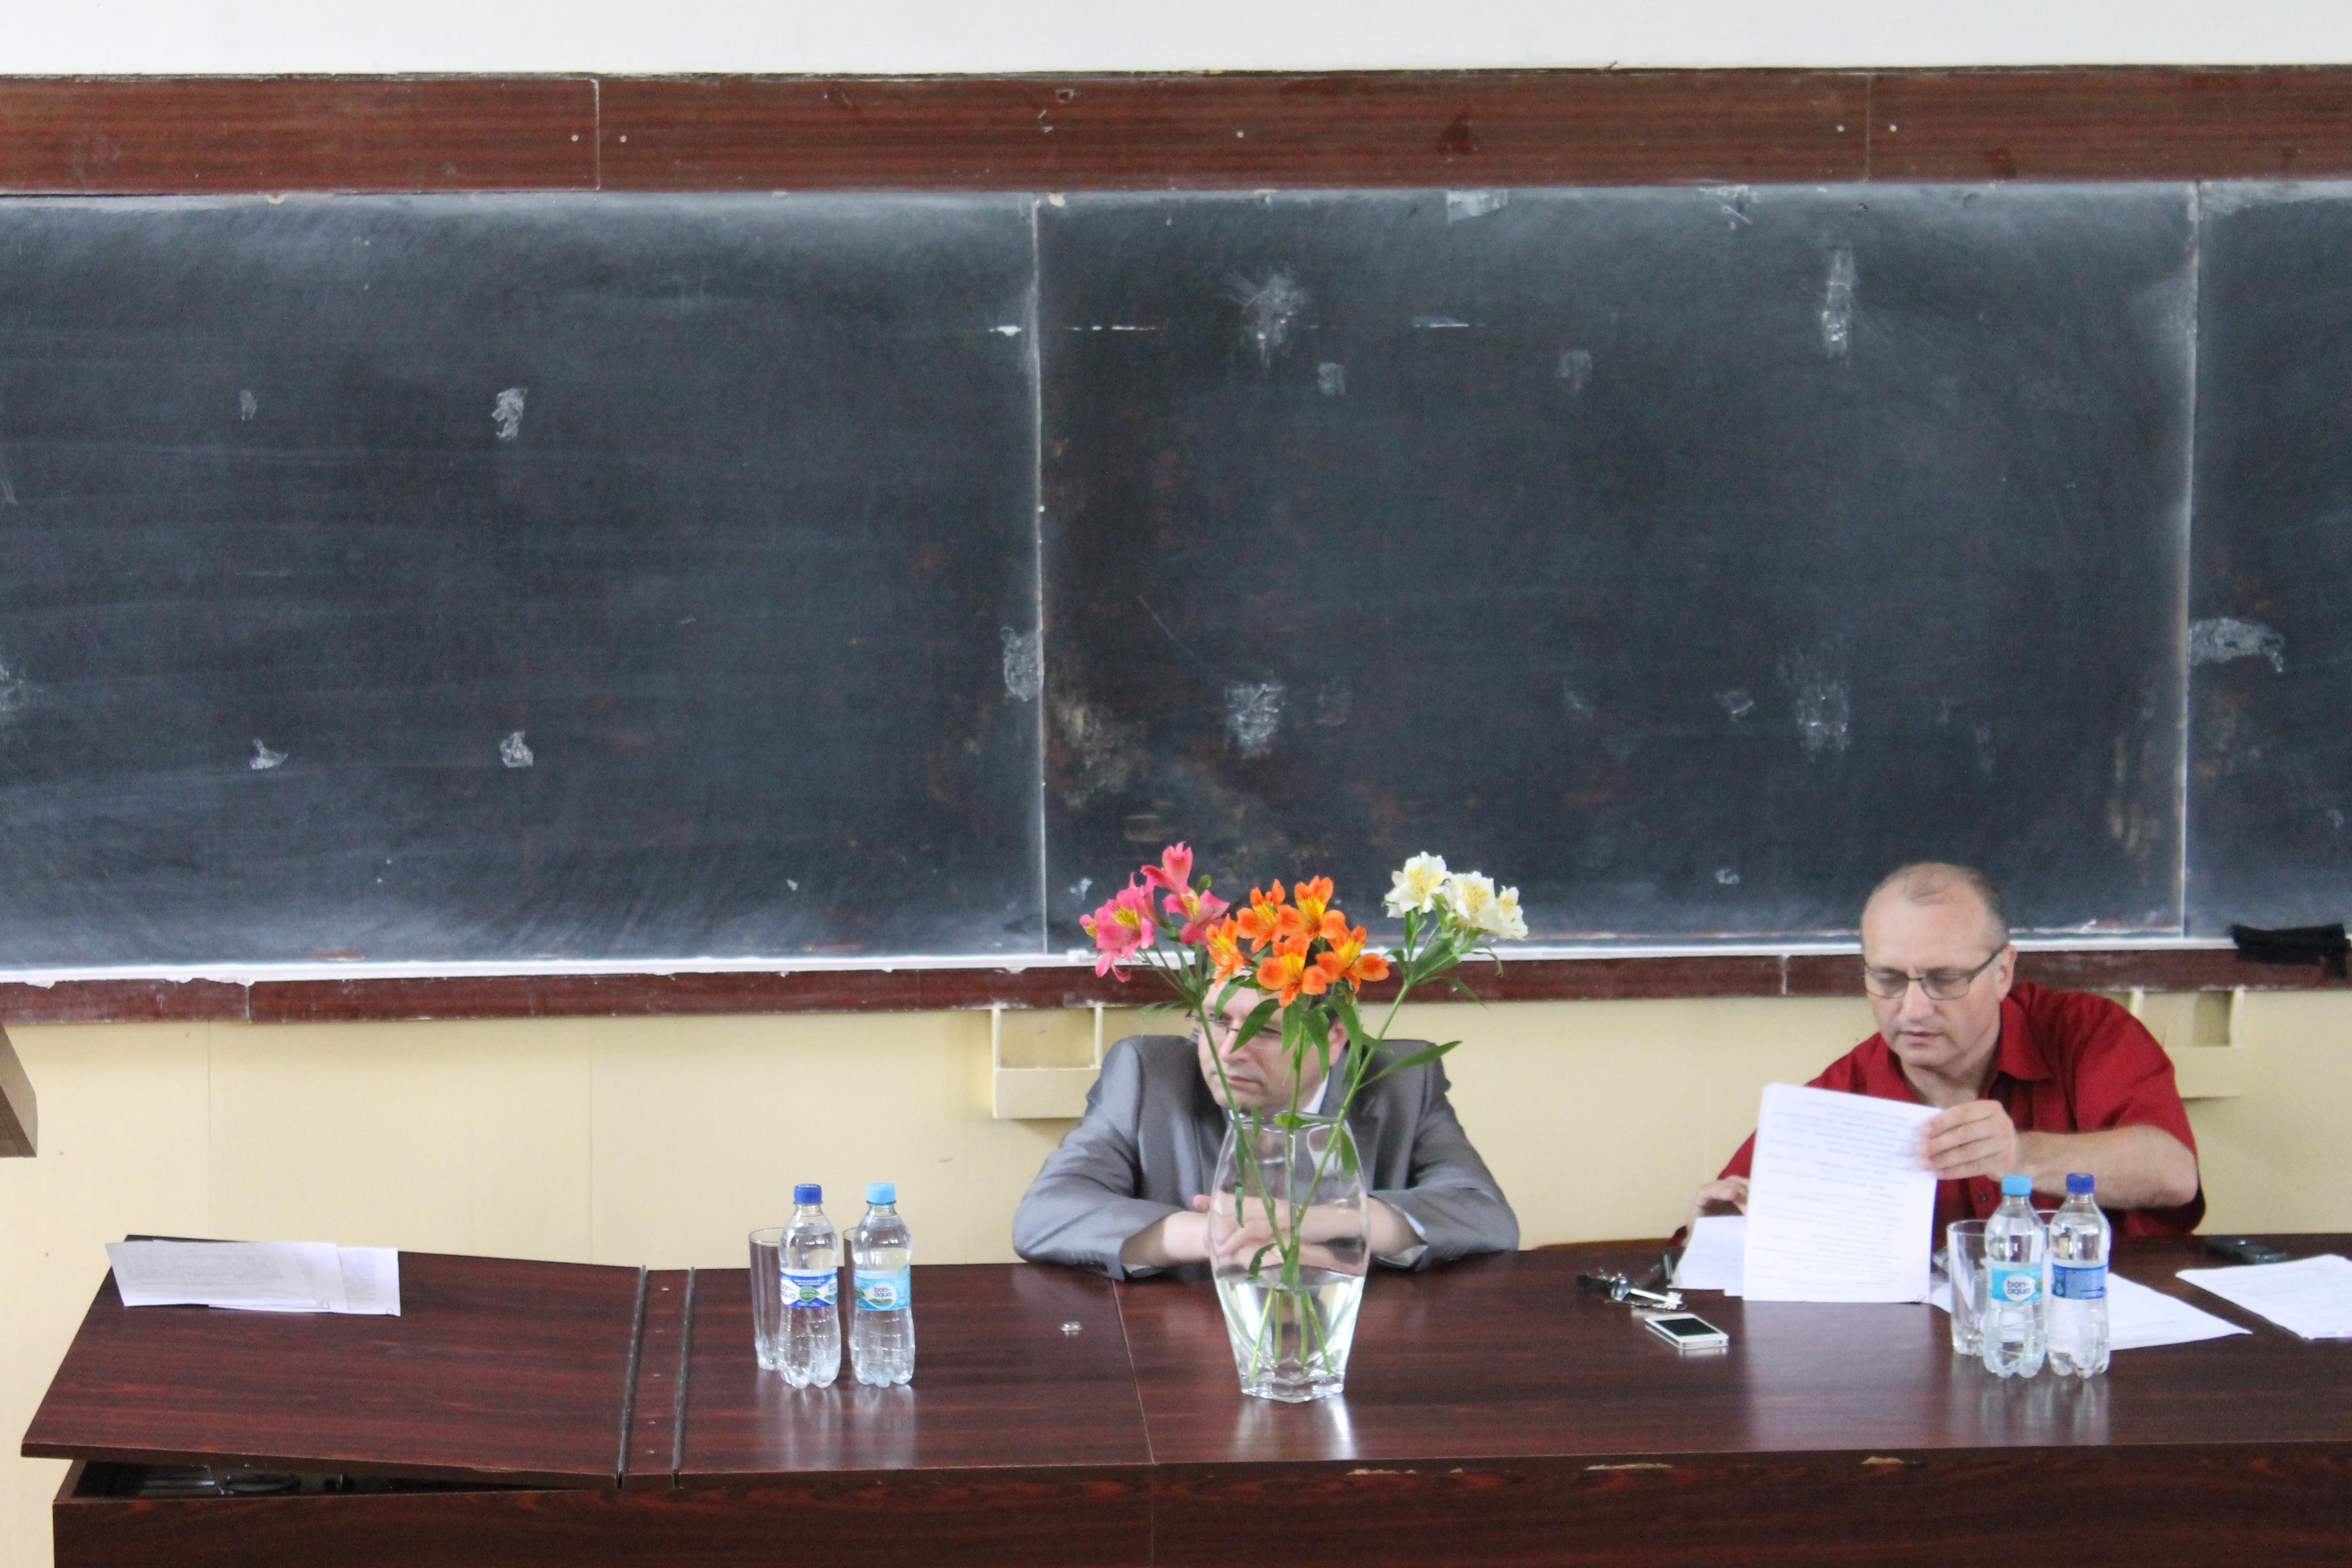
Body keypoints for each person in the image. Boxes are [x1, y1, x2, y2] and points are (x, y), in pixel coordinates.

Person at [1692, 862, 2203, 1239]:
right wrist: (1718, 1228)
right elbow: (1713, 1234)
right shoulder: (1841, 1094)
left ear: (2002, 971)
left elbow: (2175, 1175)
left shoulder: (2087, 1033)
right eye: (1888, 979)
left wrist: (2023, 1156)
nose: (1913, 1009)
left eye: (1944, 979)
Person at [1013, 985, 1519, 1278]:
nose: (1229, 1051)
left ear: (1334, 1038)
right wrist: (1211, 1235)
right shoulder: (1150, 1075)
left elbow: (1486, 1215)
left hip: (1353, 1350)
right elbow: (1045, 1214)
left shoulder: (1400, 1081)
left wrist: (1321, 1223)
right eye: (1216, 1021)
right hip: (1186, 1358)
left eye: (1267, 1030)